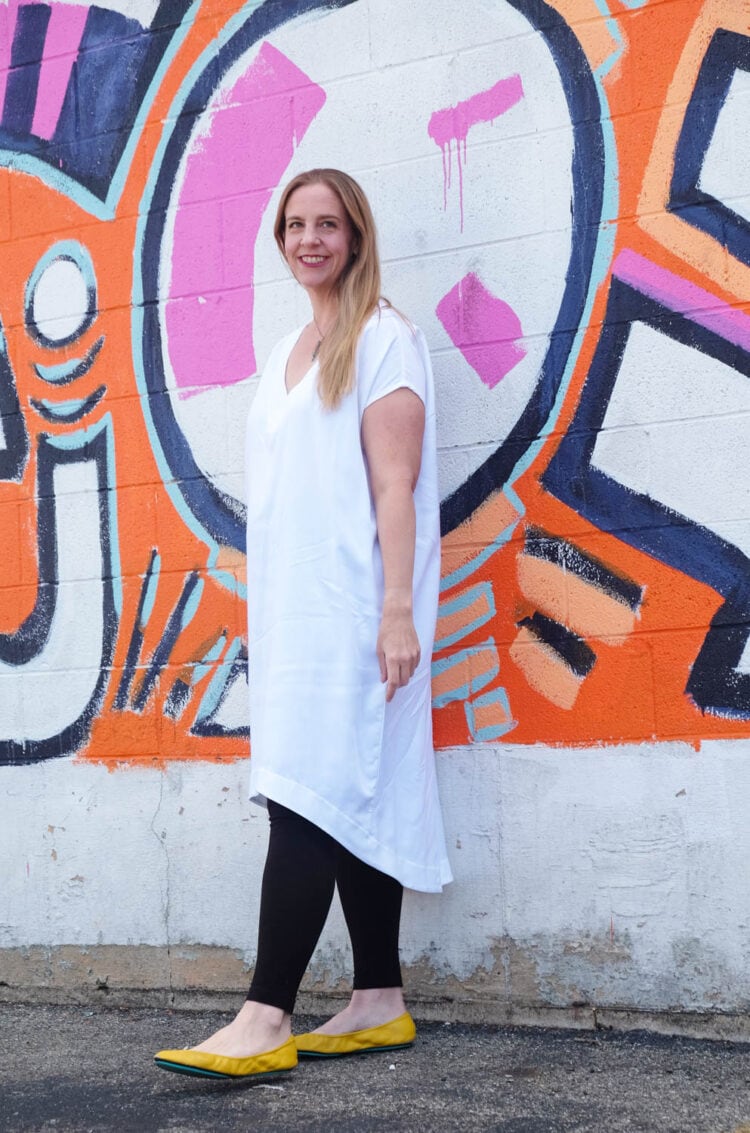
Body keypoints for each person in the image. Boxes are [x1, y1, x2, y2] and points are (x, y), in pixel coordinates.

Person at [155, 169, 452, 1081]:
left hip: (361, 610)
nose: (310, 239)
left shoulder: (385, 340)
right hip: (296, 613)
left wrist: (397, 611)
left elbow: (394, 486)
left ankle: (264, 1014)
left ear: (357, 235)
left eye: (328, 224)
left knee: (304, 795)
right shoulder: (294, 344)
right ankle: (377, 997)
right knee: (350, 795)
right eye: (295, 224)